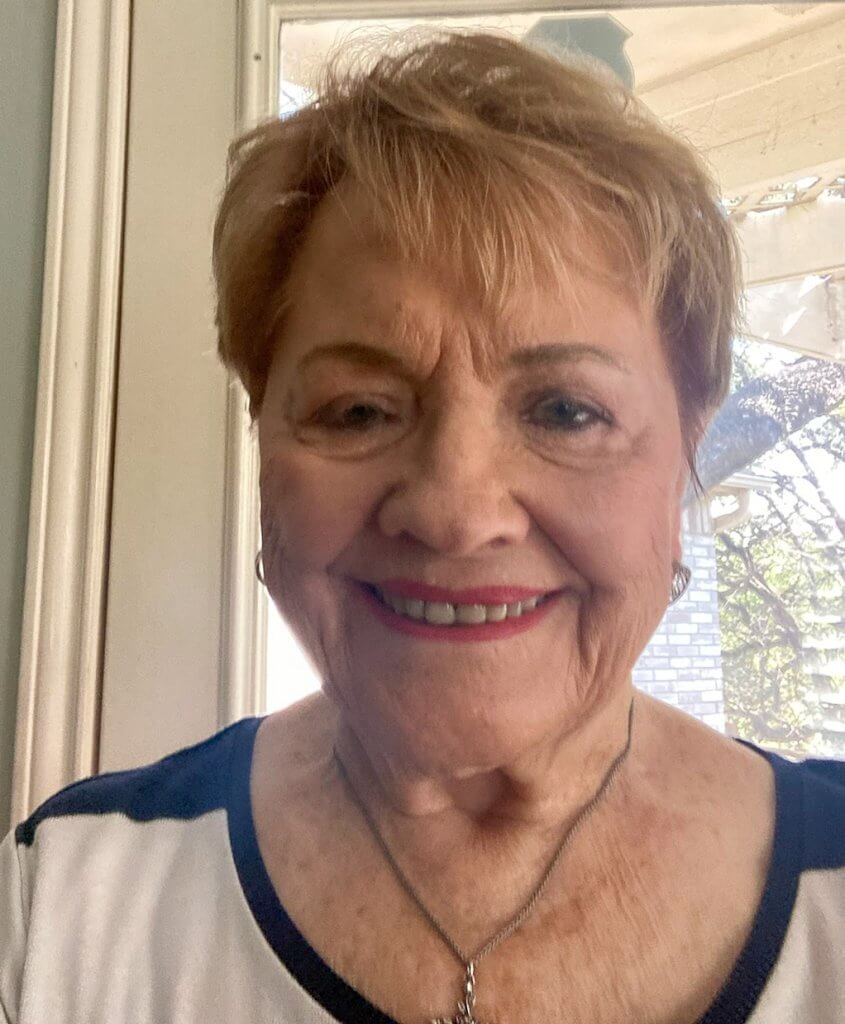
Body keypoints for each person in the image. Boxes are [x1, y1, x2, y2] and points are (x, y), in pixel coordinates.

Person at [2, 31, 843, 1024]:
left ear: (685, 452)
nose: (454, 512)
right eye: (358, 410)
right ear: (264, 442)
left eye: (564, 410)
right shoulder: (61, 908)